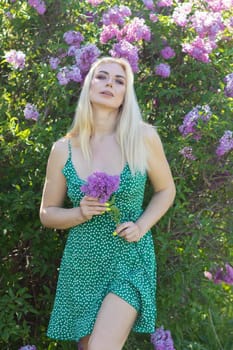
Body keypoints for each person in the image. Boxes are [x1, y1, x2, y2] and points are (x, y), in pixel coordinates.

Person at [40, 56, 176, 350]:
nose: (109, 84)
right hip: (83, 262)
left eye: (119, 81)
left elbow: (166, 190)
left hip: (129, 258)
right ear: (89, 85)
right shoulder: (63, 149)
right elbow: (47, 213)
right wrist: (79, 212)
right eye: (102, 77)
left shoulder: (142, 138)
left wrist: (141, 225)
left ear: (126, 95)